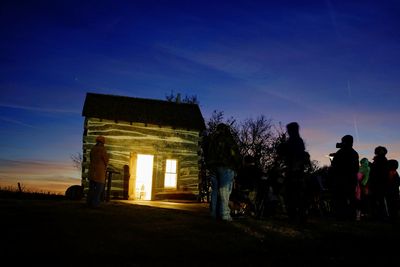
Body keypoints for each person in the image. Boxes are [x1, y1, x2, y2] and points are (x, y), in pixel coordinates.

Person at [205, 123, 241, 221]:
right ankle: (224, 214)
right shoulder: (227, 138)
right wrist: (238, 165)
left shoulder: (211, 139)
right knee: (224, 190)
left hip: (212, 167)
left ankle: (213, 214)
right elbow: (234, 153)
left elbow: (206, 152)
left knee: (215, 190)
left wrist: (209, 164)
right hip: (226, 166)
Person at [277, 122, 310, 224]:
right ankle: (299, 216)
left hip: (294, 171)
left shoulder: (295, 141)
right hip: (295, 170)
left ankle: (295, 216)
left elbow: (294, 155)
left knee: (292, 194)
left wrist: (294, 167)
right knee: (295, 194)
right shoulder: (296, 141)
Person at [330, 135, 359, 220]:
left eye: (343, 141)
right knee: (350, 197)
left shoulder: (341, 152)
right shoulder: (354, 153)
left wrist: (332, 159)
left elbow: (335, 165)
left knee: (340, 197)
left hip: (342, 178)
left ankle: (341, 215)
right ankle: (351, 215)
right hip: (351, 178)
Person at [87, 135, 109, 208]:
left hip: (92, 171)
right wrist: (106, 165)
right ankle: (95, 204)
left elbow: (91, 158)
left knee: (91, 189)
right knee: (99, 190)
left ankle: (89, 203)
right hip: (100, 173)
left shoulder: (93, 149)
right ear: (103, 142)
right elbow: (106, 160)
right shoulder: (102, 149)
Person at [368, 146, 389, 221]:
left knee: (379, 201)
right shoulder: (380, 160)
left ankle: (381, 216)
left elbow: (378, 172)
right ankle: (378, 216)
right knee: (376, 200)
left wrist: (371, 165)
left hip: (378, 184)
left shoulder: (381, 160)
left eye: (380, 150)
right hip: (377, 183)